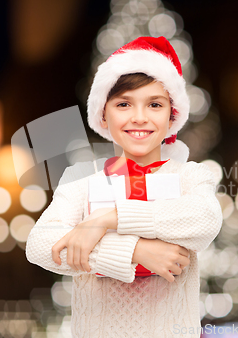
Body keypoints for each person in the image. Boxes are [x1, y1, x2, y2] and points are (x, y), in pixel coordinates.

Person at [25, 36, 223, 338]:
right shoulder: (82, 178)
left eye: (154, 104)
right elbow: (40, 245)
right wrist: (136, 251)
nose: (139, 117)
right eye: (124, 104)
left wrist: (105, 220)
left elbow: (206, 219)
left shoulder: (191, 176)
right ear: (104, 114)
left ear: (172, 116)